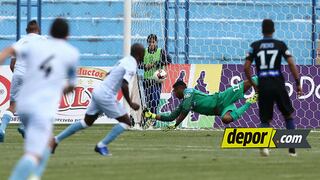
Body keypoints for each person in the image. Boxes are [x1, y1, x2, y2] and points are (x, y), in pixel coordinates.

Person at [0, 18, 79, 179]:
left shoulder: (34, 45)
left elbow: (9, 52)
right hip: (42, 107)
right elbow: (71, 85)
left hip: (24, 105)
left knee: (47, 141)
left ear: (50, 31)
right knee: (35, 153)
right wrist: (60, 88)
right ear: (67, 35)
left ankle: (35, 175)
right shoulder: (71, 53)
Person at [52, 43, 145, 156]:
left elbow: (109, 74)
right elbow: (124, 84)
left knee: (87, 122)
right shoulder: (131, 64)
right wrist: (130, 103)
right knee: (126, 122)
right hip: (106, 95)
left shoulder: (124, 60)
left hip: (98, 91)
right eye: (143, 54)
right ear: (140, 54)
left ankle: (55, 140)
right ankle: (101, 145)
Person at [244, 19, 302, 157]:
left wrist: (253, 85)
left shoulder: (255, 46)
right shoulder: (280, 45)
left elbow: (246, 67)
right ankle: (292, 149)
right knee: (287, 115)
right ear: (273, 30)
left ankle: (264, 147)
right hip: (278, 83)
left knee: (265, 119)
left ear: (262, 30)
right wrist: (298, 82)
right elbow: (291, 63)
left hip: (263, 84)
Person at [143, 77, 258, 129]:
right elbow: (170, 117)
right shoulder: (184, 102)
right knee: (226, 119)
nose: (174, 93)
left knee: (246, 84)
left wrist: (175, 124)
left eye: (174, 91)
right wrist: (152, 115)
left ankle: (265, 77)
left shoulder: (189, 91)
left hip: (222, 98)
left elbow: (186, 109)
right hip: (222, 109)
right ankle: (250, 102)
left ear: (180, 88)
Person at [0, 20, 46, 142]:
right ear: (38, 30)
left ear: (27, 31)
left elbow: (12, 64)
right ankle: (25, 127)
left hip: (18, 74)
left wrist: (18, 75)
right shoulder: (43, 41)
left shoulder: (20, 42)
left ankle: (2, 128)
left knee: (13, 105)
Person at [143, 34, 171, 117]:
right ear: (147, 43)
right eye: (150, 42)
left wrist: (157, 63)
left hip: (157, 80)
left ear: (156, 42)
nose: (151, 44)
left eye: (153, 42)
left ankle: (153, 119)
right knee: (149, 101)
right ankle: (149, 118)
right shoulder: (144, 52)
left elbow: (169, 61)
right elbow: (138, 64)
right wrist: (145, 66)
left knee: (155, 100)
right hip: (147, 80)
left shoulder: (161, 51)